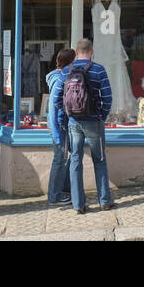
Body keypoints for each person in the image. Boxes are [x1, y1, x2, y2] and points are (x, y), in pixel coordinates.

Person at [53, 38, 115, 214]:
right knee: (100, 161)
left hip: (74, 122)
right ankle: (104, 201)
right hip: (94, 121)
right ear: (91, 51)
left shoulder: (66, 71)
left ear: (76, 52)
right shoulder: (98, 69)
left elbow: (57, 98)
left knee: (75, 161)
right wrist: (101, 116)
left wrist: (69, 113)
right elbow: (108, 97)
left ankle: (78, 205)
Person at [45, 48, 76, 206]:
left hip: (61, 124)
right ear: (70, 62)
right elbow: (53, 105)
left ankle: (63, 187)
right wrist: (57, 131)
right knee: (59, 158)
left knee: (66, 157)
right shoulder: (60, 79)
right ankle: (54, 196)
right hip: (59, 125)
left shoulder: (61, 76)